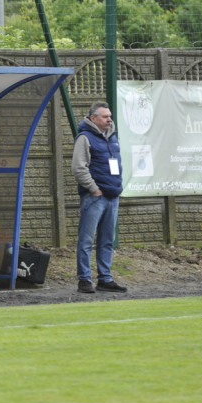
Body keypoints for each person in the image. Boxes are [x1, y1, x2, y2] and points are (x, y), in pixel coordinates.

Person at [73, 101, 128, 294]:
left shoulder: (112, 137)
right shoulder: (85, 138)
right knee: (86, 240)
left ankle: (105, 279)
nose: (109, 119)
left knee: (106, 240)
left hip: (112, 197)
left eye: (110, 116)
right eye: (105, 116)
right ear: (93, 118)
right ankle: (84, 279)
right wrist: (94, 188)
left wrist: (117, 187)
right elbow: (79, 168)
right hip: (94, 197)